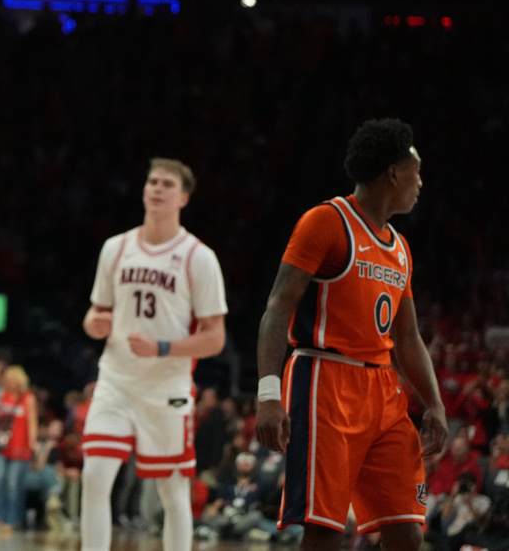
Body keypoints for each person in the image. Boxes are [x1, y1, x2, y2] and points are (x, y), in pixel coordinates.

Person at [254, 118, 449, 551]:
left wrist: (433, 402)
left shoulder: (400, 247)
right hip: (324, 379)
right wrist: (269, 392)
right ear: (394, 172)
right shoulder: (326, 221)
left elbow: (409, 336)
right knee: (324, 531)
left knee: (406, 530)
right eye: (417, 172)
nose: (421, 183)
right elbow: (277, 307)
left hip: (382, 389)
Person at [80, 157, 227, 551]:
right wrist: (94, 322)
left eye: (166, 184)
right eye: (152, 182)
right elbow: (96, 311)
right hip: (116, 380)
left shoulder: (199, 257)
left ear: (183, 198)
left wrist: (163, 347)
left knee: (173, 492)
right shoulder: (116, 247)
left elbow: (215, 338)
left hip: (167, 387)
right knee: (94, 477)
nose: (157, 189)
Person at [0, 365, 38, 533]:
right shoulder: (2, 397)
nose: (11, 384)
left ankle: (11, 519)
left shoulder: (28, 398)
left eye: (14, 381)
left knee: (13, 484)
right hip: (2, 447)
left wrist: (33, 445)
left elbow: (32, 422)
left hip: (20, 449)